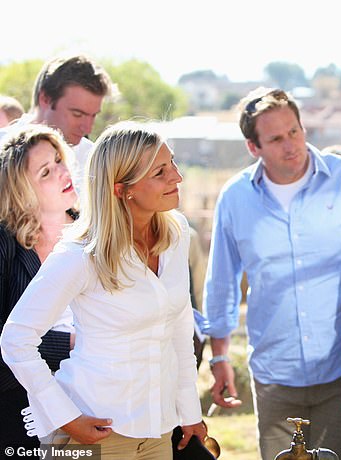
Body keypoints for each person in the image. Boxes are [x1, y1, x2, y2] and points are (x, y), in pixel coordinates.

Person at [0, 121, 206, 458]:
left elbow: (180, 327)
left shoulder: (177, 233)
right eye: (160, 172)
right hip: (96, 434)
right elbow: (15, 339)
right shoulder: (79, 255)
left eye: (173, 165)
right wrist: (66, 417)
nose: (177, 178)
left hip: (158, 431)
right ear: (121, 188)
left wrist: (190, 412)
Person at [199, 87, 341, 460]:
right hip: (275, 375)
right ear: (253, 147)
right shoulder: (236, 197)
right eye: (275, 138)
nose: (291, 145)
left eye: (295, 131)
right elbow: (222, 282)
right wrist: (219, 355)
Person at [0, 125, 78, 452]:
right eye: (46, 172)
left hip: (98, 393)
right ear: (23, 194)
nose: (63, 172)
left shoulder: (96, 233)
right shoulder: (7, 245)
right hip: (22, 407)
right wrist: (72, 344)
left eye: (60, 160)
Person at [0, 54, 112, 190]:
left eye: (93, 116)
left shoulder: (93, 160)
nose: (87, 128)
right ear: (45, 99)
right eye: (77, 114)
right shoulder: (2, 147)